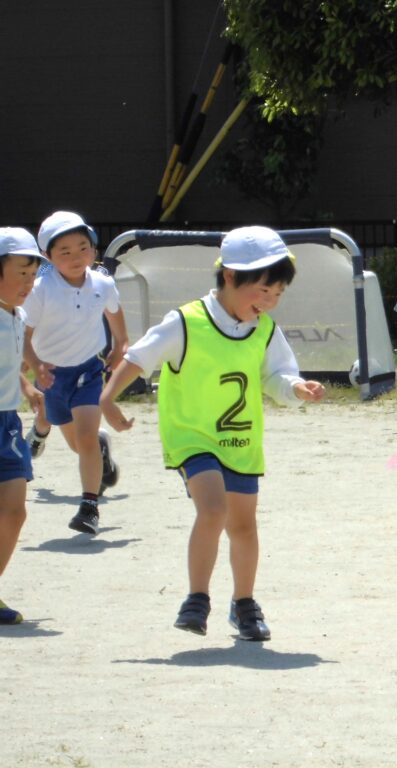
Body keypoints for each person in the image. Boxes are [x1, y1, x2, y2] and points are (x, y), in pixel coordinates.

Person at [99, 226, 325, 641]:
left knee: (244, 526)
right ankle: (196, 599)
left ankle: (244, 604)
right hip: (192, 437)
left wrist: (296, 388)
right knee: (213, 509)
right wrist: (109, 397)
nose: (268, 302)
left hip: (240, 441)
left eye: (277, 294)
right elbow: (139, 356)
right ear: (228, 277)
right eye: (261, 291)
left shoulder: (264, 329)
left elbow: (277, 376)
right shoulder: (187, 322)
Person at [22, 211, 127, 535]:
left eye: (83, 247)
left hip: (88, 370)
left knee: (84, 438)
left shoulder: (102, 282)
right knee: (78, 444)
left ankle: (89, 507)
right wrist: (36, 365)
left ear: (94, 249)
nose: (76, 257)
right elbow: (23, 336)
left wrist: (120, 344)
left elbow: (114, 313)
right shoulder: (41, 289)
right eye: (64, 252)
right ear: (47, 257)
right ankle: (101, 449)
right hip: (52, 376)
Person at [0, 229, 46, 624]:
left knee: (14, 512)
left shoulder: (20, 315)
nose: (28, 283)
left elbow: (9, 367)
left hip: (8, 423)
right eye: (21, 273)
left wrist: (28, 387)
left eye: (33, 275)